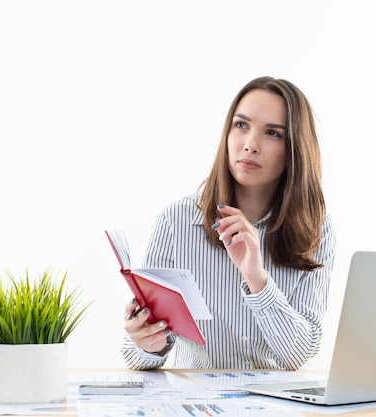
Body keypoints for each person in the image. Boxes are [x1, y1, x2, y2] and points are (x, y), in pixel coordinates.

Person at [122, 76, 336, 370]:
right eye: (241, 125)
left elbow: (297, 355)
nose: (250, 145)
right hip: (196, 405)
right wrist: (147, 342)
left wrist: (257, 278)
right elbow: (136, 356)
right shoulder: (177, 221)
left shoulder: (316, 230)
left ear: (295, 149)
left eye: (272, 133)